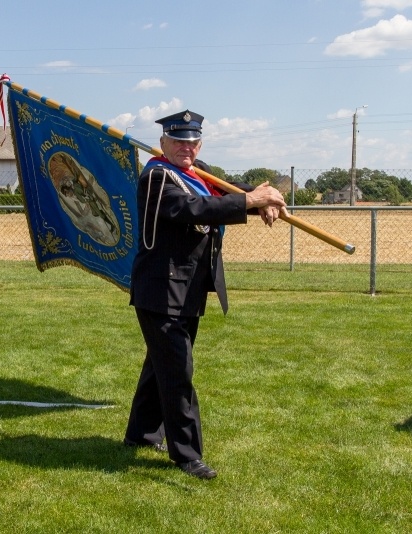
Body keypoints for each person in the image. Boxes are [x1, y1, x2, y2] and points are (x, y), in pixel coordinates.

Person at [123, 109, 286, 479]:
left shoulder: (198, 173)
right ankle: (187, 455)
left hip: (189, 288)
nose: (187, 147)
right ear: (163, 142)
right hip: (161, 290)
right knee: (178, 370)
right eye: (179, 141)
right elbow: (192, 208)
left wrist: (262, 198)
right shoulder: (156, 176)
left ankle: (142, 436)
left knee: (160, 367)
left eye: (193, 141)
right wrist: (248, 202)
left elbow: (223, 192)